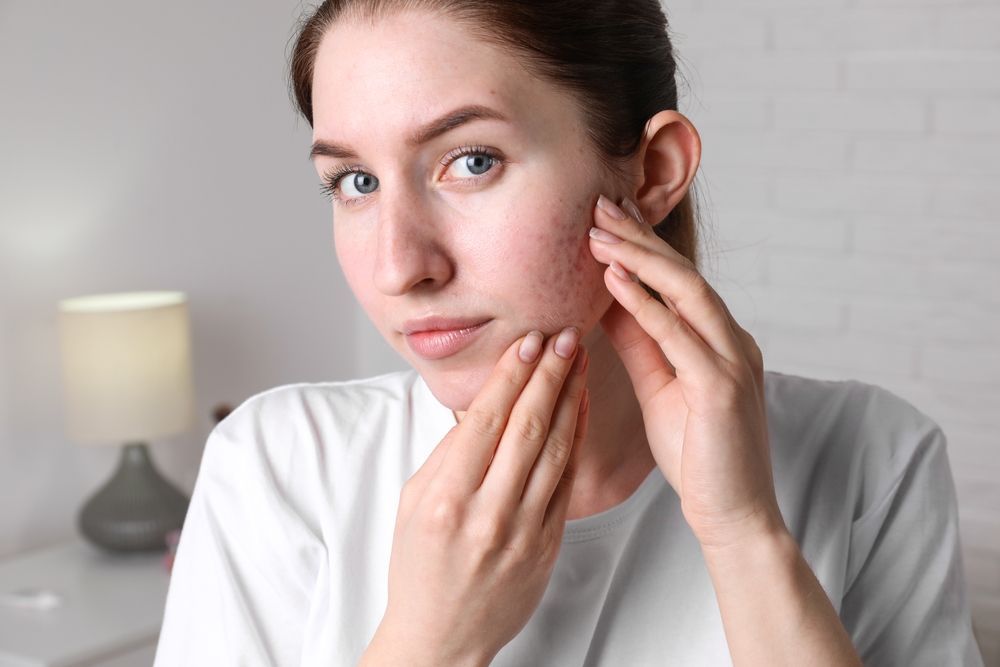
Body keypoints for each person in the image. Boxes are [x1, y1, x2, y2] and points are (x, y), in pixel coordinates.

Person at [153, 1, 985, 665]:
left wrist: (744, 534)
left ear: (652, 172)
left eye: (472, 160)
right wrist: (428, 643)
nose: (401, 266)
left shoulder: (873, 460)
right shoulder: (277, 467)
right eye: (355, 181)